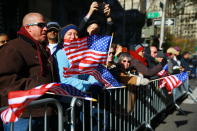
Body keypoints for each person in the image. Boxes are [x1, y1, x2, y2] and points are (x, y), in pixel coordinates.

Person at [0, 12, 57, 131]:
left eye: (45, 25)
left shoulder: (42, 49)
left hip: (44, 112)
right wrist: (38, 86)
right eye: (41, 25)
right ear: (28, 28)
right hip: (22, 116)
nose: (46, 28)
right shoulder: (13, 47)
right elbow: (4, 80)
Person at [54, 24, 100, 92]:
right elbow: (65, 79)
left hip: (84, 96)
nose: (73, 37)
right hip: (69, 96)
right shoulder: (61, 53)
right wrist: (88, 86)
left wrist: (95, 84)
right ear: (63, 37)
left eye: (76, 34)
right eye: (69, 34)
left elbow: (91, 73)